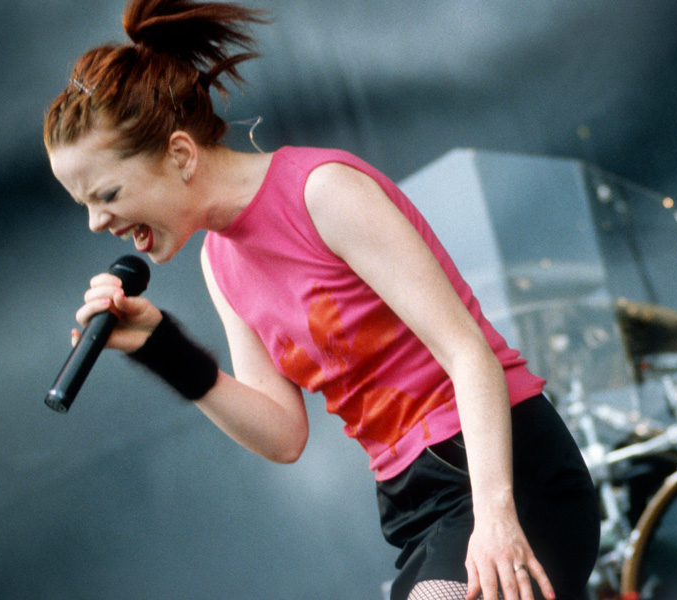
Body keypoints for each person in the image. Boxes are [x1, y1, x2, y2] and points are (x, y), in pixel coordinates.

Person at [42, 2, 600, 600]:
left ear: (180, 154)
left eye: (106, 194)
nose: (98, 223)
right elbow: (284, 436)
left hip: (504, 468)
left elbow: (469, 354)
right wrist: (162, 348)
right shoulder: (221, 262)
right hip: (416, 501)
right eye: (86, 206)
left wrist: (495, 518)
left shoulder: (322, 192)